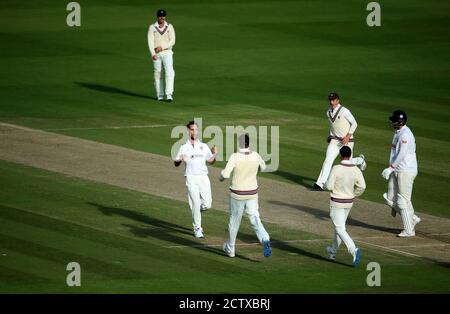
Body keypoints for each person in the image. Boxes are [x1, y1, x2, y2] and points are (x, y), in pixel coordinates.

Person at [220, 134, 271, 258]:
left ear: (239, 143)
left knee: (234, 221)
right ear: (249, 143)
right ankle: (265, 238)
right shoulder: (256, 155)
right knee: (254, 218)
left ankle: (231, 249)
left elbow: (226, 175)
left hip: (237, 194)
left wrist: (221, 175)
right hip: (252, 193)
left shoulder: (235, 157)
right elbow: (264, 168)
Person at [313, 92, 366, 191]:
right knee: (328, 160)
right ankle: (320, 183)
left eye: (333, 100)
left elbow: (354, 123)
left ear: (338, 100)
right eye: (330, 100)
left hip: (347, 141)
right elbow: (333, 126)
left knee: (347, 162)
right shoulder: (328, 112)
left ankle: (360, 160)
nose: (331, 102)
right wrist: (330, 136)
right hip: (335, 141)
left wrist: (347, 136)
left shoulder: (344, 111)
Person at [174, 121, 218, 238]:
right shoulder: (184, 147)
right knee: (195, 202)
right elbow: (176, 163)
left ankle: (196, 210)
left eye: (196, 129)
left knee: (207, 204)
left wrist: (214, 155)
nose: (194, 132)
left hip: (204, 177)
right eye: (192, 129)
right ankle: (197, 228)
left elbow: (211, 161)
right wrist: (180, 160)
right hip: (191, 177)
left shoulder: (204, 146)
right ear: (188, 131)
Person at [381, 110, 421, 237]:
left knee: (402, 201)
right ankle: (412, 218)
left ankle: (409, 230)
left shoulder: (405, 135)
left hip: (406, 170)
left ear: (400, 122)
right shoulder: (397, 132)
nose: (392, 122)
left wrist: (390, 168)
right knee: (389, 198)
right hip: (397, 169)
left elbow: (402, 154)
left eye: (394, 120)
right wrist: (391, 168)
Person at [325, 146, 366, 267]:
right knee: (339, 227)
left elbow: (329, 186)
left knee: (339, 229)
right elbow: (362, 186)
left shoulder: (336, 168)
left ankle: (353, 250)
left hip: (337, 202)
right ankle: (332, 251)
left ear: (340, 155)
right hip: (349, 202)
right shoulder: (356, 170)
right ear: (350, 155)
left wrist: (329, 186)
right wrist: (353, 194)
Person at [147, 9, 176, 102]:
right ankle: (159, 95)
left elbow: (172, 41)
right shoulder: (152, 27)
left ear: (165, 17)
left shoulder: (169, 27)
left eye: (163, 16)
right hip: (156, 54)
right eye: (160, 16)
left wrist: (162, 47)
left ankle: (169, 94)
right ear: (157, 17)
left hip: (167, 52)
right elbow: (150, 41)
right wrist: (153, 53)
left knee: (169, 72)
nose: (162, 18)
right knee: (157, 73)